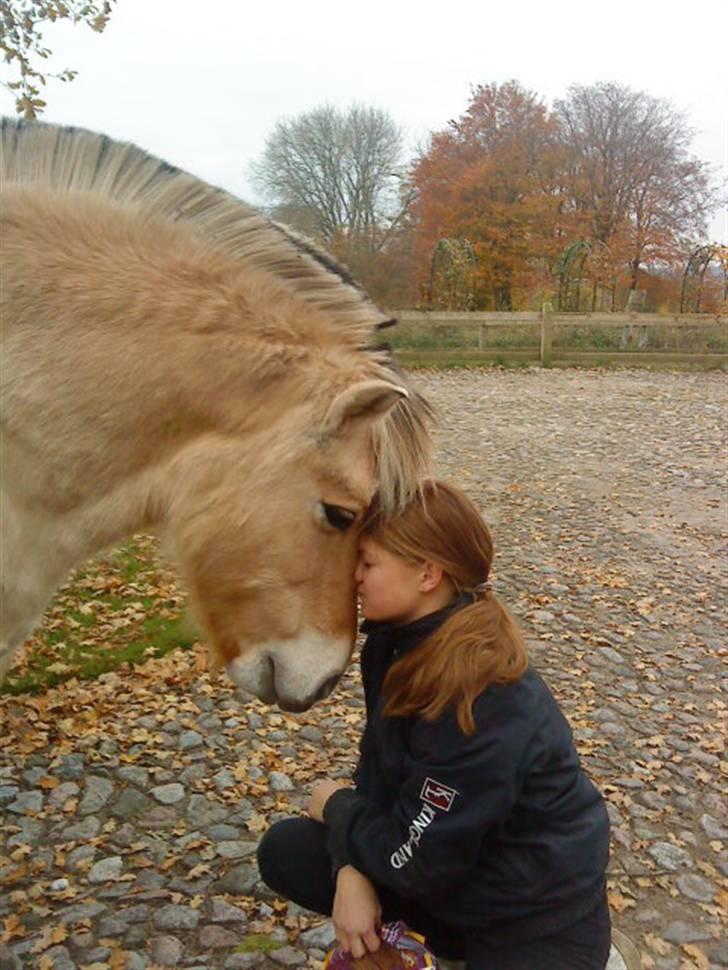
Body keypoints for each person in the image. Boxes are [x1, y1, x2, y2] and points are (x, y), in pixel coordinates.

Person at [257, 481, 611, 969]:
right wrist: (349, 870)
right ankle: (439, 943)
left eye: (368, 563)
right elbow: (379, 777)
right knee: (287, 851)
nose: (353, 578)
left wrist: (338, 809)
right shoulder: (395, 644)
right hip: (451, 871)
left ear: (427, 573)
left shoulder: (477, 695)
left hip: (531, 912)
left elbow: (415, 858)